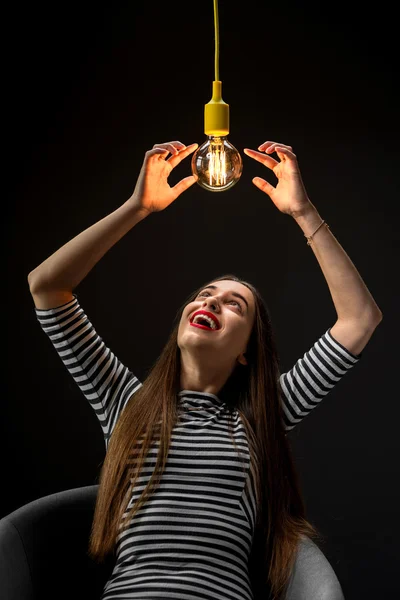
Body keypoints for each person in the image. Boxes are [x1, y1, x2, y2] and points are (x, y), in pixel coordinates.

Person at [28, 140, 382, 600]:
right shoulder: (125, 402)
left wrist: (304, 213)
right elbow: (47, 286)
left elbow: (359, 319)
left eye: (234, 304)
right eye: (204, 294)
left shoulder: (263, 415)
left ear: (246, 353)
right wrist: (138, 208)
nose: (210, 300)